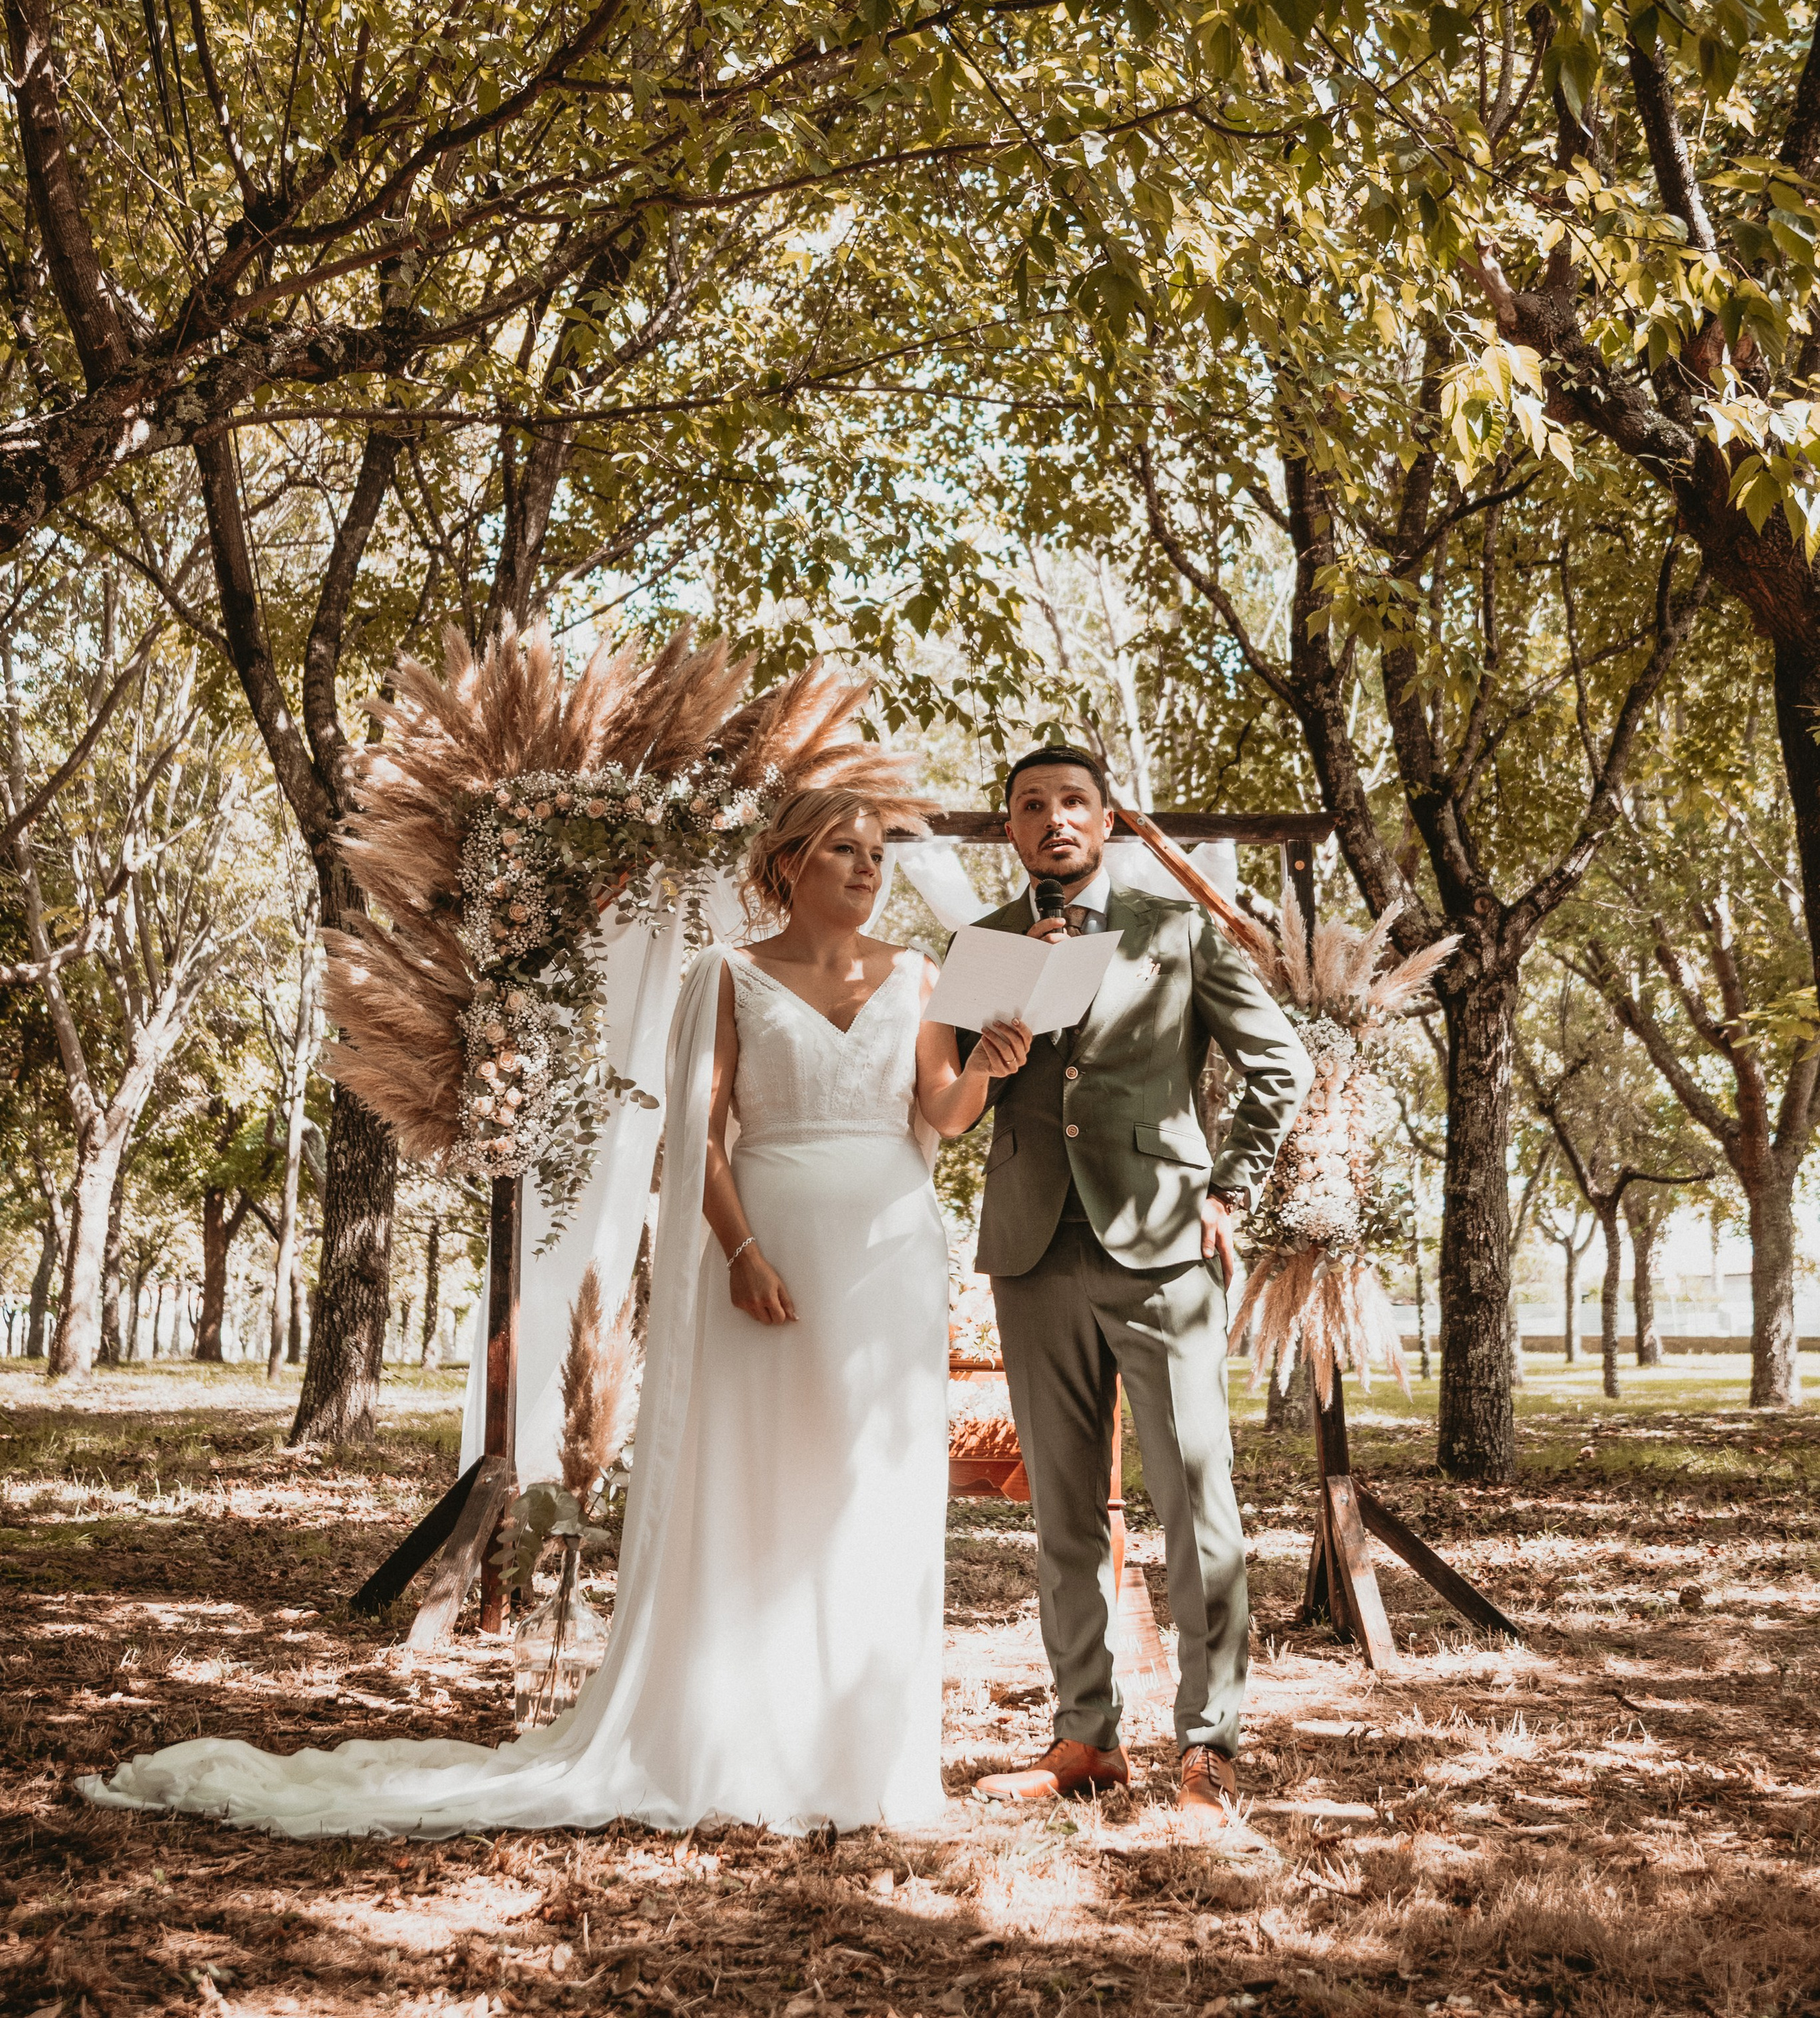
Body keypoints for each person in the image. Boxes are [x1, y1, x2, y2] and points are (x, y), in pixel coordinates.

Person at [82, 783, 1029, 1837]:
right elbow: (699, 1141)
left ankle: (858, 1753)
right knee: (757, 1480)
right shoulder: (728, 975)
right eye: (843, 849)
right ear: (790, 863)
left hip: (889, 1259)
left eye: (877, 854)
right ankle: (737, 1729)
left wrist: (987, 1067)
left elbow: (940, 1111)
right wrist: (741, 1251)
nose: (867, 868)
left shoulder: (923, 975)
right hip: (771, 1252)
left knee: (868, 1488)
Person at [965, 747, 1311, 1818]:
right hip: (1030, 1253)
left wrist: (1228, 1195)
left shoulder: (1175, 931)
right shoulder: (982, 943)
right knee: (1064, 1516)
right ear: (1013, 832)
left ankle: (1209, 1744)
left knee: (1196, 1497)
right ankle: (1086, 1739)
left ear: (1105, 820)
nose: (1054, 819)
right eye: (1032, 807)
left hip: (1161, 1247)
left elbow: (1279, 1066)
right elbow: (957, 1096)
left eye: (1073, 802)